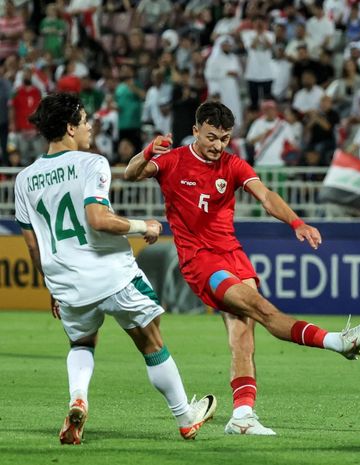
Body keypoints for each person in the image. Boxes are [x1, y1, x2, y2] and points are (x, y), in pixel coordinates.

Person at [124, 101, 360, 436]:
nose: (218, 145)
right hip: (201, 261)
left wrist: (296, 222)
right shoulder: (173, 161)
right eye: (212, 137)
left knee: (243, 337)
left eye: (225, 138)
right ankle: (337, 342)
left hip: (233, 255)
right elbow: (131, 173)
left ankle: (242, 416)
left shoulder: (232, 164)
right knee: (261, 308)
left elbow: (266, 195)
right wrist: (146, 152)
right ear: (197, 130)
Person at [13, 93, 217, 445]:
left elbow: (33, 245)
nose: (90, 126)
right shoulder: (91, 164)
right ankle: (185, 416)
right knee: (152, 342)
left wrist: (51, 287)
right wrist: (145, 227)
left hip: (67, 283)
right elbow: (98, 219)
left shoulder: (24, 179)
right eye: (85, 119)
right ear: (69, 127)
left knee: (81, 341)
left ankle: (79, 398)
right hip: (112, 275)